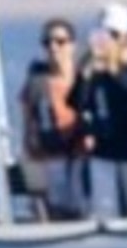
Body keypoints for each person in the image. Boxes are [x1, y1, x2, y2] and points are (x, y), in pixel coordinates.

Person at [68, 3, 127, 221]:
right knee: (104, 213)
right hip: (105, 154)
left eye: (113, 35)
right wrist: (86, 73)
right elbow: (76, 102)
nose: (107, 40)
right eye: (104, 34)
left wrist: (116, 72)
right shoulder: (93, 69)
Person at [17, 18, 90, 221]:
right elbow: (28, 125)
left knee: (82, 209)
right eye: (48, 43)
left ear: (72, 45)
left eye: (60, 41)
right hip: (50, 160)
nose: (54, 48)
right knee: (54, 212)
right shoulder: (36, 85)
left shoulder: (85, 80)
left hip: (80, 159)